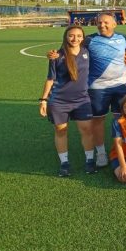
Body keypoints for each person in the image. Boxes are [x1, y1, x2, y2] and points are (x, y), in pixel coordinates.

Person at [48, 12, 126, 167]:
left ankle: (125, 150)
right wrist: (55, 54)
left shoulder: (123, 38)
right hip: (98, 88)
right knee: (98, 120)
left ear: (114, 24)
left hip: (122, 85)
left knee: (123, 119)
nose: (102, 25)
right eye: (99, 22)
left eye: (106, 22)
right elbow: (69, 49)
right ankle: (100, 153)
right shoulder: (89, 40)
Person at [39, 26, 96, 176]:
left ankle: (90, 161)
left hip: (82, 100)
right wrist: (43, 100)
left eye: (78, 36)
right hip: (59, 101)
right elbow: (50, 79)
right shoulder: (57, 56)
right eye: (71, 36)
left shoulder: (87, 51)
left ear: (83, 38)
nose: (75, 39)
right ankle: (64, 163)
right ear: (66, 37)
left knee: (87, 130)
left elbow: (102, 35)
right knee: (61, 131)